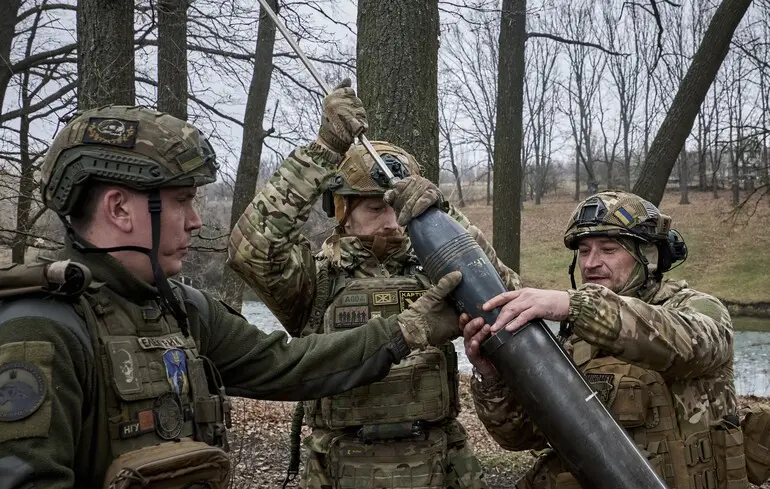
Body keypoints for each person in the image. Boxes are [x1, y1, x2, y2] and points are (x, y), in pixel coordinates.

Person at [0, 105, 465, 489]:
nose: (196, 221)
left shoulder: (182, 310)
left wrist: (406, 331)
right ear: (119, 208)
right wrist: (321, 152)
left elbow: (291, 366)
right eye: (182, 201)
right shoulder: (41, 329)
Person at [227, 79, 522, 489]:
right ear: (343, 212)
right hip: (341, 468)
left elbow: (506, 297)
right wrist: (323, 149)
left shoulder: (438, 270)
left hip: (440, 464)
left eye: (398, 209)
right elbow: (250, 250)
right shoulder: (316, 278)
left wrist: (441, 215)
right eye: (375, 208)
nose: (392, 222)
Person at [461, 190, 748, 488]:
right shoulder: (576, 339)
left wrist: (576, 304)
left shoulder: (698, 309)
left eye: (608, 249)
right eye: (584, 251)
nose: (590, 263)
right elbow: (522, 437)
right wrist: (492, 376)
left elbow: (690, 346)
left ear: (649, 256)